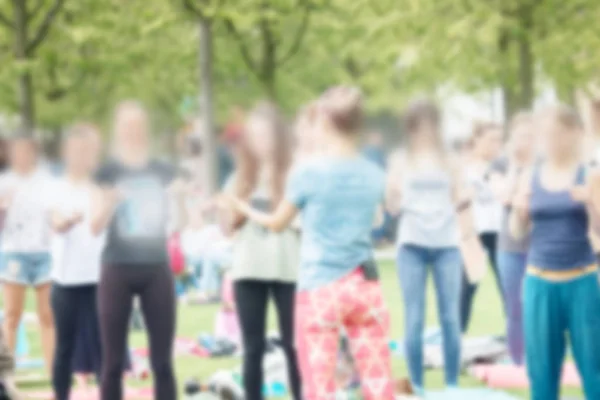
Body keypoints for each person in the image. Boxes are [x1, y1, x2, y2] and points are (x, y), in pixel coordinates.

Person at [228, 87, 396, 400]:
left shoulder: (307, 174)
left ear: (326, 123)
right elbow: (378, 220)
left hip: (320, 289)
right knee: (377, 381)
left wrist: (246, 208)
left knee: (319, 386)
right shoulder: (375, 174)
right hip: (365, 286)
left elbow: (277, 223)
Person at [386, 100, 480, 396]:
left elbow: (457, 196)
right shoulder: (400, 159)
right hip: (411, 244)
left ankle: (451, 384)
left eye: (431, 123)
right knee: (414, 317)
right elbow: (392, 208)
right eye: (420, 123)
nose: (426, 130)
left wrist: (465, 202)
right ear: (412, 127)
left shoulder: (450, 160)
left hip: (446, 245)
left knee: (450, 316)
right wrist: (391, 192)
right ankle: (417, 385)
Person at [510, 105, 600, 400]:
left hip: (581, 282)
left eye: (557, 134)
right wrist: (520, 212)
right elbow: (517, 232)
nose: (551, 141)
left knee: (594, 369)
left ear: (574, 133)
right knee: (542, 373)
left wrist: (593, 202)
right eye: (546, 135)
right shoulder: (530, 176)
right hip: (540, 282)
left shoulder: (590, 175)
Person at [93, 101, 182, 400]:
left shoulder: (163, 170)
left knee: (162, 362)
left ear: (145, 129)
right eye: (126, 125)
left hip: (156, 265)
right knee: (113, 363)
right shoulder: (106, 172)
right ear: (118, 130)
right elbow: (93, 225)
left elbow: (181, 218)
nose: (132, 131)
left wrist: (179, 200)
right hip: (116, 266)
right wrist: (109, 201)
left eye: (137, 125)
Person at [221, 102, 302, 400]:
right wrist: (237, 206)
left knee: (294, 345)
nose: (261, 141)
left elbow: (301, 222)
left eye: (266, 134)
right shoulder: (240, 177)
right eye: (254, 135)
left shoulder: (295, 175)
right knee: (252, 348)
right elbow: (228, 227)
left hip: (288, 270)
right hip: (248, 269)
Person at [48, 124, 106, 400]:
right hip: (65, 281)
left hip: (98, 279)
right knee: (65, 348)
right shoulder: (55, 188)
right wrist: (70, 220)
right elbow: (56, 222)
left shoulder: (99, 187)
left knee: (103, 349)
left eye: (88, 150)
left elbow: (102, 225)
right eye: (78, 150)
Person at [0, 136, 56, 373]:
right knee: (12, 316)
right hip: (14, 254)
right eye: (17, 151)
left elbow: (56, 215)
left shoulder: (48, 182)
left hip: (45, 254)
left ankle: (56, 375)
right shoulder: (4, 182)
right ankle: (6, 376)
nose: (22, 156)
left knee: (48, 316)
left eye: (27, 151)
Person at [487, 112, 536, 365]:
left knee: (537, 307)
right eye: (520, 136)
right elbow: (504, 196)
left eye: (530, 136)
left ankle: (539, 357)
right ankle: (518, 360)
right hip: (509, 246)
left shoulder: (544, 165)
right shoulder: (500, 165)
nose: (525, 141)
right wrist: (518, 169)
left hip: (540, 246)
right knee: (515, 307)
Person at [460, 121, 504, 333]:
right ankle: (456, 340)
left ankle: (519, 342)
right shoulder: (464, 167)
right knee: (466, 288)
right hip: (473, 232)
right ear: (476, 139)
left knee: (509, 288)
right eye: (490, 140)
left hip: (500, 232)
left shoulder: (503, 166)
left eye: (499, 140)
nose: (495, 145)